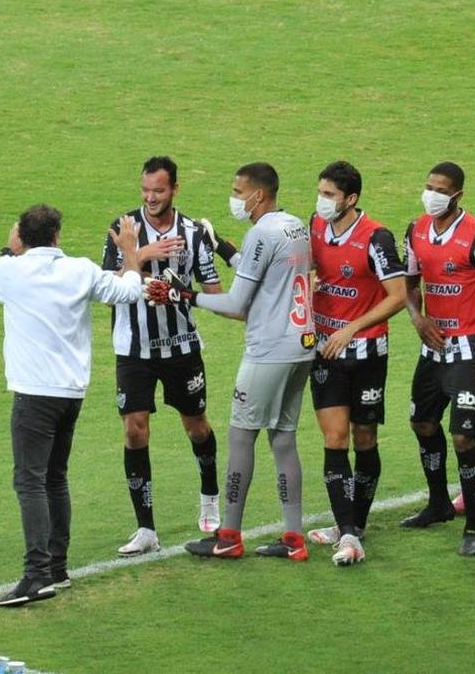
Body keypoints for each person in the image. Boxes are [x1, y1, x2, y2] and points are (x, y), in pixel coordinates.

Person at [0, 204, 144, 606]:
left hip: (34, 394)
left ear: (22, 238)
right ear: (56, 236)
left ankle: (37, 575)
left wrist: (8, 251)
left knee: (30, 481)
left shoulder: (11, 271)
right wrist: (130, 252)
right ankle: (57, 569)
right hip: (71, 394)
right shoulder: (80, 270)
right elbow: (129, 290)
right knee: (54, 478)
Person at [146, 163, 316, 561]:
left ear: (259, 195)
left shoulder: (261, 233)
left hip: (268, 350)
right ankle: (294, 539)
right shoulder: (294, 226)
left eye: (239, 192)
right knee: (283, 439)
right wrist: (222, 246)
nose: (235, 198)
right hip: (301, 345)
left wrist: (184, 296)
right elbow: (264, 275)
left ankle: (228, 536)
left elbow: (238, 302)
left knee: (241, 436)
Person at [103, 156, 226, 557]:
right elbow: (109, 287)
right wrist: (140, 253)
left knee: (197, 427)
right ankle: (146, 529)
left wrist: (180, 291)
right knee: (134, 430)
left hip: (181, 346)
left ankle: (209, 497)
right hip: (133, 348)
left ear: (174, 189)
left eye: (158, 190)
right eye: (145, 190)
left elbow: (214, 293)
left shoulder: (193, 233)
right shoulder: (123, 229)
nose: (150, 197)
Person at [401, 162, 475, 557]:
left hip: (471, 349)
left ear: (458, 195)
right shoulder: (415, 230)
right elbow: (409, 285)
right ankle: (438, 504)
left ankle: (473, 526)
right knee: (422, 422)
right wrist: (418, 319)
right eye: (428, 186)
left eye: (440, 189)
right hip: (433, 348)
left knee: (463, 435)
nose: (431, 195)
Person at [301, 162, 407, 566]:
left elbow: (398, 295)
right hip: (325, 352)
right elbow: (309, 265)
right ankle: (346, 531)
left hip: (367, 353)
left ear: (351, 199)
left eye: (329, 195)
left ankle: (355, 524)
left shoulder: (376, 238)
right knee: (335, 438)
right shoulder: (315, 225)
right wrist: (309, 280)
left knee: (364, 438)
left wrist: (352, 328)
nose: (322, 201)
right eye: (320, 192)